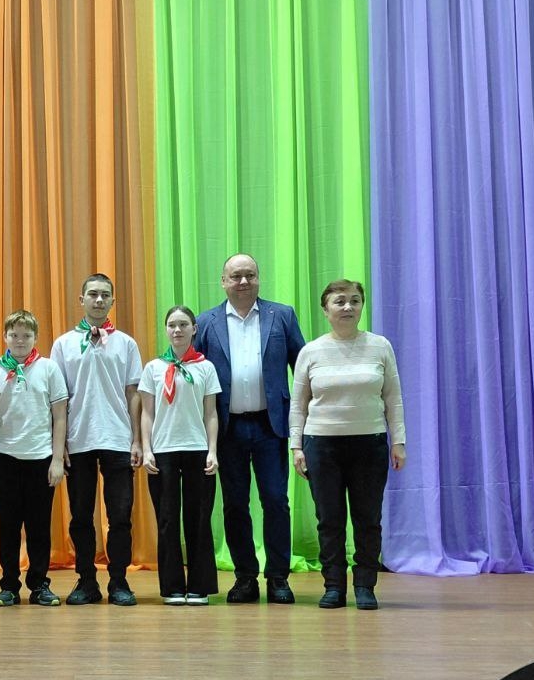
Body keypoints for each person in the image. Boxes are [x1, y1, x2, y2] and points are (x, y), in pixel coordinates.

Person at [194, 254, 306, 605]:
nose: (243, 282)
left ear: (259, 278)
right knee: (234, 505)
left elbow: (303, 368)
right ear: (223, 281)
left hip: (270, 427)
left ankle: (278, 577)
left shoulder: (282, 315)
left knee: (276, 501)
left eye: (250, 275)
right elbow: (192, 374)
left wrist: (306, 422)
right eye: (236, 276)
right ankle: (245, 577)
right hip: (227, 430)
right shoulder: (206, 322)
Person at [289, 280, 406, 610]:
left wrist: (398, 441)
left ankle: (365, 585)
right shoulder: (311, 351)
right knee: (330, 520)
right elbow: (298, 404)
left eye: (354, 301)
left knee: (368, 519)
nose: (348, 307)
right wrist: (296, 446)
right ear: (325, 309)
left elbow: (393, 398)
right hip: (321, 446)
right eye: (339, 301)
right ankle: (334, 586)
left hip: (369, 445)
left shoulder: (380, 346)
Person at [50, 273, 143, 606]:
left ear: (113, 301)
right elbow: (57, 399)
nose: (99, 300)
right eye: (93, 294)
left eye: (105, 295)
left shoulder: (127, 343)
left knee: (120, 516)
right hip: (78, 439)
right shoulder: (62, 344)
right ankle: (86, 581)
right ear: (82, 300)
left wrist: (136, 439)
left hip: (118, 438)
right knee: (80, 516)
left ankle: (119, 581)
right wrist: (59, 444)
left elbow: (133, 393)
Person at [0, 309, 67, 607]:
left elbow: (60, 416)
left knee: (38, 527)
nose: (20, 340)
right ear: (5, 337)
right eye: (14, 335)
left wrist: (57, 459)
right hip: (3, 458)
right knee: (8, 526)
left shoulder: (49, 369)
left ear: (36, 338)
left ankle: (39, 584)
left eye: (26, 335)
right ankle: (8, 585)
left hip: (40, 458)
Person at [139, 306, 221, 606]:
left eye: (183, 324)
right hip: (163, 452)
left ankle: (199, 586)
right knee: (167, 519)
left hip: (198, 450)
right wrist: (147, 449)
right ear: (166, 330)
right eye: (172, 325)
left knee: (199, 519)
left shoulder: (205, 367)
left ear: (194, 329)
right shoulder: (153, 368)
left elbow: (211, 413)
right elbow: (147, 413)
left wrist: (212, 451)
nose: (177, 330)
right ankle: (172, 586)